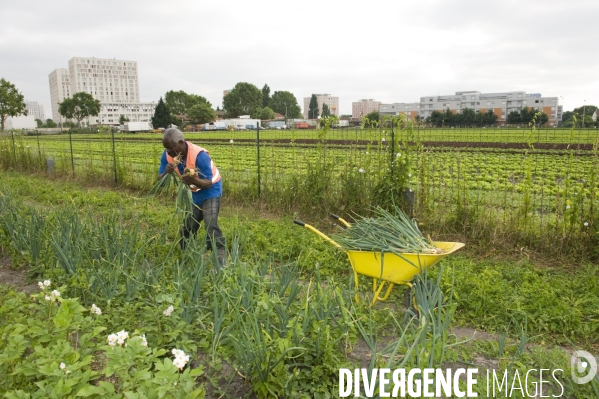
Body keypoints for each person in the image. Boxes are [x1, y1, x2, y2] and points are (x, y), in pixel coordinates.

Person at [158, 128, 227, 267]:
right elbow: (159, 182)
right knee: (189, 224)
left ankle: (220, 257)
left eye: (171, 148)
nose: (169, 152)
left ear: (181, 142)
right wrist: (166, 172)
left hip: (210, 190)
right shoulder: (166, 155)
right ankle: (186, 252)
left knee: (210, 222)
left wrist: (193, 181)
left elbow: (207, 183)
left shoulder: (199, 155)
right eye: (166, 148)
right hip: (194, 192)